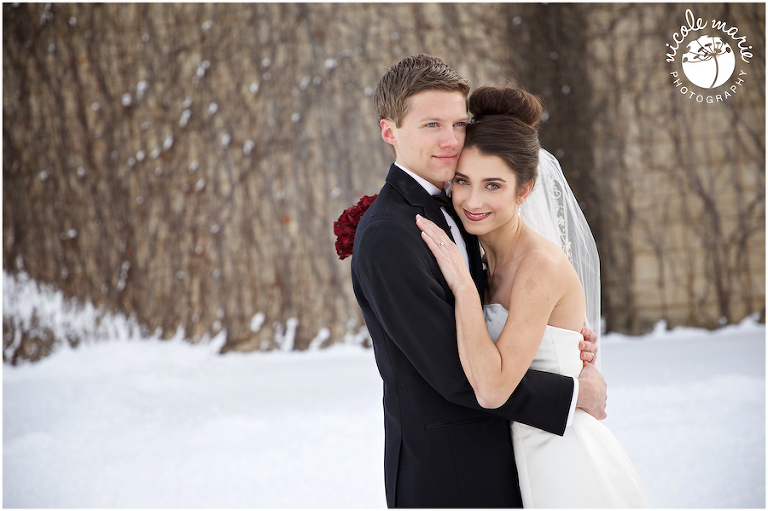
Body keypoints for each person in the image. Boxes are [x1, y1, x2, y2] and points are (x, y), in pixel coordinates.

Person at [349, 54, 607, 508]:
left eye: (459, 123)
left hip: (511, 459)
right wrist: (571, 392)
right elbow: (456, 376)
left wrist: (562, 344)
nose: (450, 140)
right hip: (449, 474)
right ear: (389, 132)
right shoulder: (391, 235)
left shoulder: (460, 210)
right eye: (431, 125)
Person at [415, 85, 649, 507]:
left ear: (525, 190)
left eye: (493, 186)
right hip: (515, 463)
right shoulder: (483, 258)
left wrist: (465, 292)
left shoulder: (539, 265)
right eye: (463, 181)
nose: (471, 200)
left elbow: (491, 390)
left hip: (564, 463)